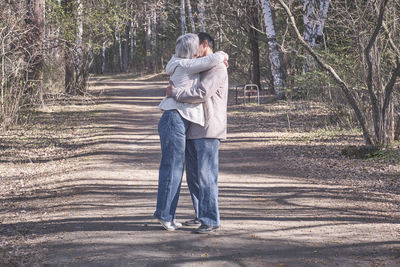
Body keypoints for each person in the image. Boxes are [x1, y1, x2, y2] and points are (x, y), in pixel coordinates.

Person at [154, 33, 228, 231]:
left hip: (208, 129)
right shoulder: (199, 65)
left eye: (197, 47)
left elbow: (201, 93)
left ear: (204, 45)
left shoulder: (217, 67)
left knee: (206, 177)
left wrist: (175, 93)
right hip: (193, 128)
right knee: (194, 177)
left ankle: (210, 220)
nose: (194, 52)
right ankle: (200, 214)